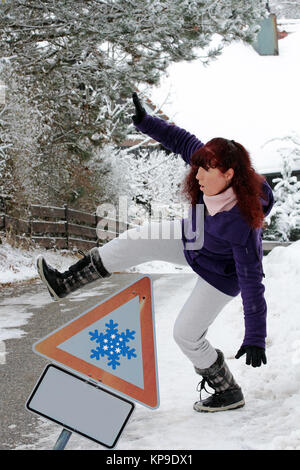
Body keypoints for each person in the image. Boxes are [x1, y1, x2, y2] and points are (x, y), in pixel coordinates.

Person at [36, 93, 273, 413]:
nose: (198, 176)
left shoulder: (244, 224)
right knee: (137, 239)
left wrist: (256, 335)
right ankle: (66, 282)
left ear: (229, 174)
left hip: (221, 275)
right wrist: (145, 122)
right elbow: (180, 139)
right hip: (193, 238)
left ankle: (227, 390)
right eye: (198, 168)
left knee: (185, 334)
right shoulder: (209, 166)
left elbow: (251, 279)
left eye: (206, 171)